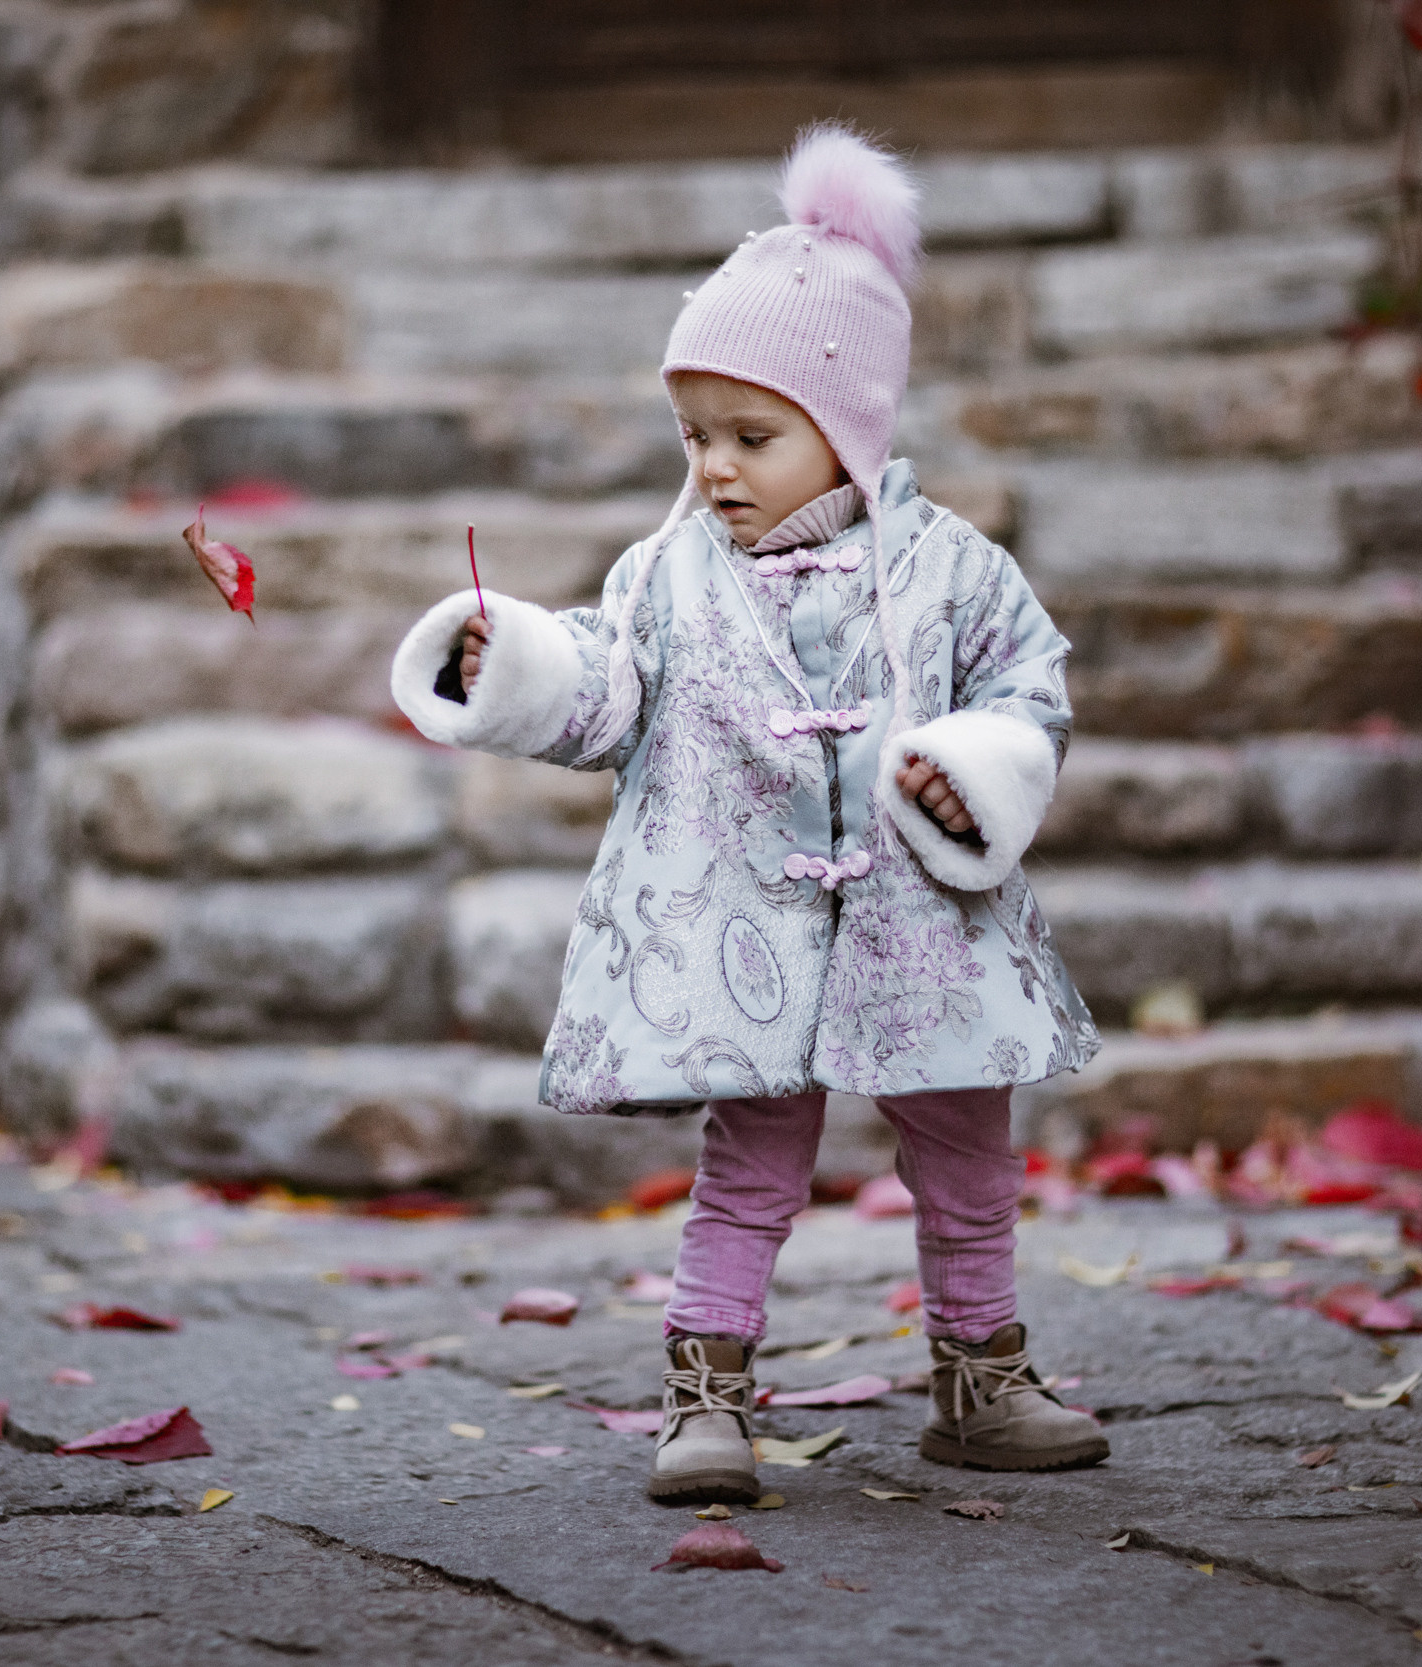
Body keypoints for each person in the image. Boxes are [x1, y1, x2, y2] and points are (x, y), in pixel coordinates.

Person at [389, 125, 1103, 1504]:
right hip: (749, 930)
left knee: (967, 1147)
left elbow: (1033, 689)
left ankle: (982, 1375)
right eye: (696, 434)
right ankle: (706, 1388)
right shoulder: (667, 575)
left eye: (752, 435)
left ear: (850, 424)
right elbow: (609, 691)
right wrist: (520, 666)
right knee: (750, 1162)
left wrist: (982, 765)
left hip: (924, 922)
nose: (714, 466)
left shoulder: (954, 574)